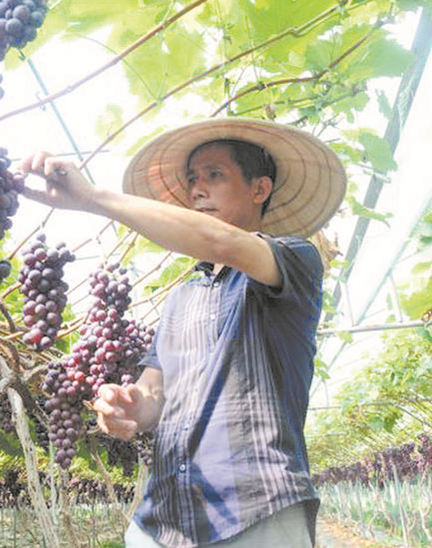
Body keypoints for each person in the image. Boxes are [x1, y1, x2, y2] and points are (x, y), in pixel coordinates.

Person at [19, 118, 345, 548]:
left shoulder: (294, 260)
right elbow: (154, 393)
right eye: (193, 179)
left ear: (259, 189)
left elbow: (224, 243)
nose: (197, 190)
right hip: (164, 521)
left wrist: (93, 198)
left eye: (215, 175)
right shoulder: (181, 298)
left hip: (256, 507)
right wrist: (128, 409)